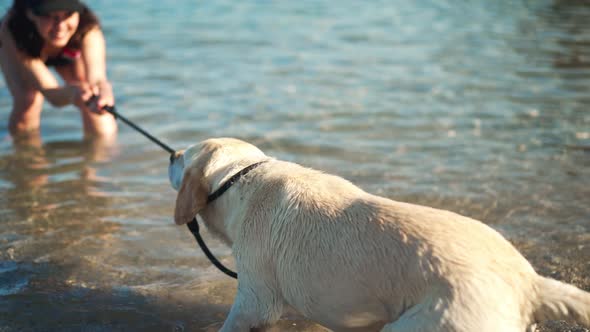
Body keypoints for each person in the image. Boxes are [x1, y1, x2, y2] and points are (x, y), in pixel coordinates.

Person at [0, 0, 117, 138]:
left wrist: (104, 91)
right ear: (30, 14)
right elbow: (52, 96)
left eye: (68, 14)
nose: (60, 26)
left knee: (92, 94)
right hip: (27, 45)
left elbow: (97, 79)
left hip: (66, 50)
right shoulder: (14, 28)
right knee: (28, 99)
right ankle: (25, 155)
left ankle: (105, 154)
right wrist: (73, 94)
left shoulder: (87, 26)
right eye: (49, 16)